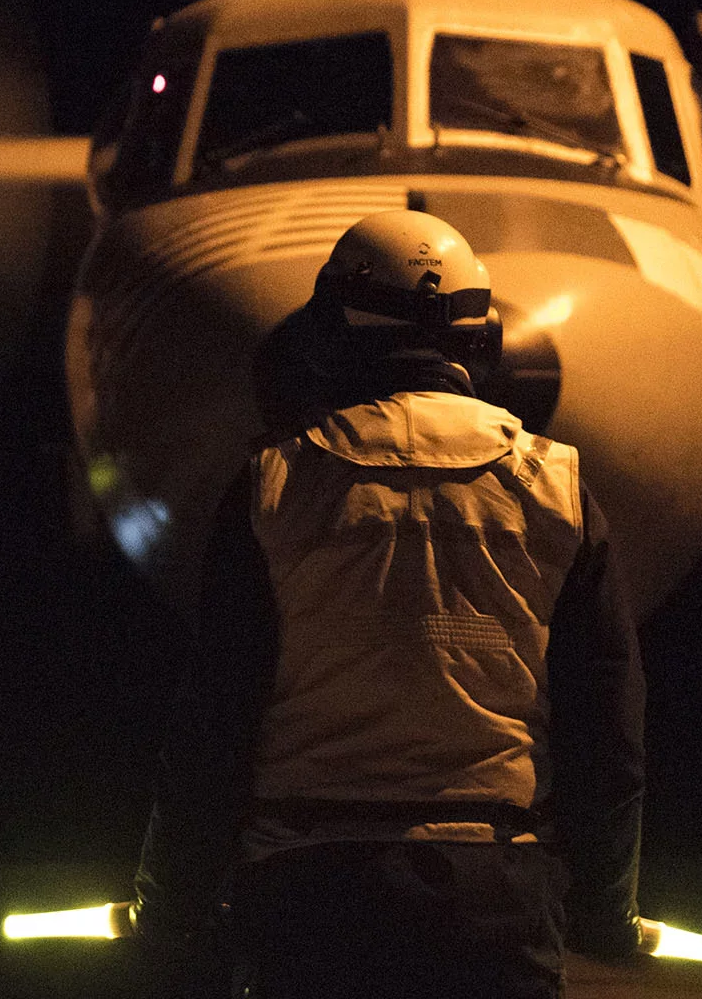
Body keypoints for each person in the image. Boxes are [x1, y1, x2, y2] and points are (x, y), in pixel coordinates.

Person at [131, 209, 647, 997]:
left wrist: (172, 907)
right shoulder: (561, 490)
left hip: (311, 900)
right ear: (484, 341)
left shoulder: (272, 487)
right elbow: (606, 737)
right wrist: (605, 914)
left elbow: (212, 722)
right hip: (495, 899)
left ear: (329, 336)